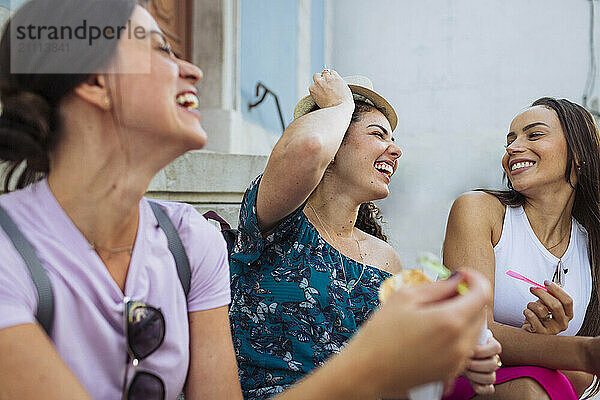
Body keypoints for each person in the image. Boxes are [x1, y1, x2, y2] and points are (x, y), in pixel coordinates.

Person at [0, 1, 499, 399]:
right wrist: (373, 364)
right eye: (159, 51)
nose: (192, 70)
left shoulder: (189, 241)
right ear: (94, 82)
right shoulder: (9, 253)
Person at [229, 70, 501, 399]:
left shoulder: (386, 259)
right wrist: (342, 102)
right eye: (378, 134)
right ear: (335, 142)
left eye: (394, 140)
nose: (395, 151)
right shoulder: (278, 219)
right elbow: (308, 145)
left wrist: (457, 357)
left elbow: (397, 373)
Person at [443, 98, 600, 400]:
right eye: (510, 139)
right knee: (529, 389)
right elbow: (473, 330)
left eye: (534, 134)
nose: (513, 148)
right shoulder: (479, 210)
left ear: (578, 154)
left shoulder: (590, 242)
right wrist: (582, 352)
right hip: (468, 377)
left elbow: (578, 379)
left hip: (545, 383)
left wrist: (542, 341)